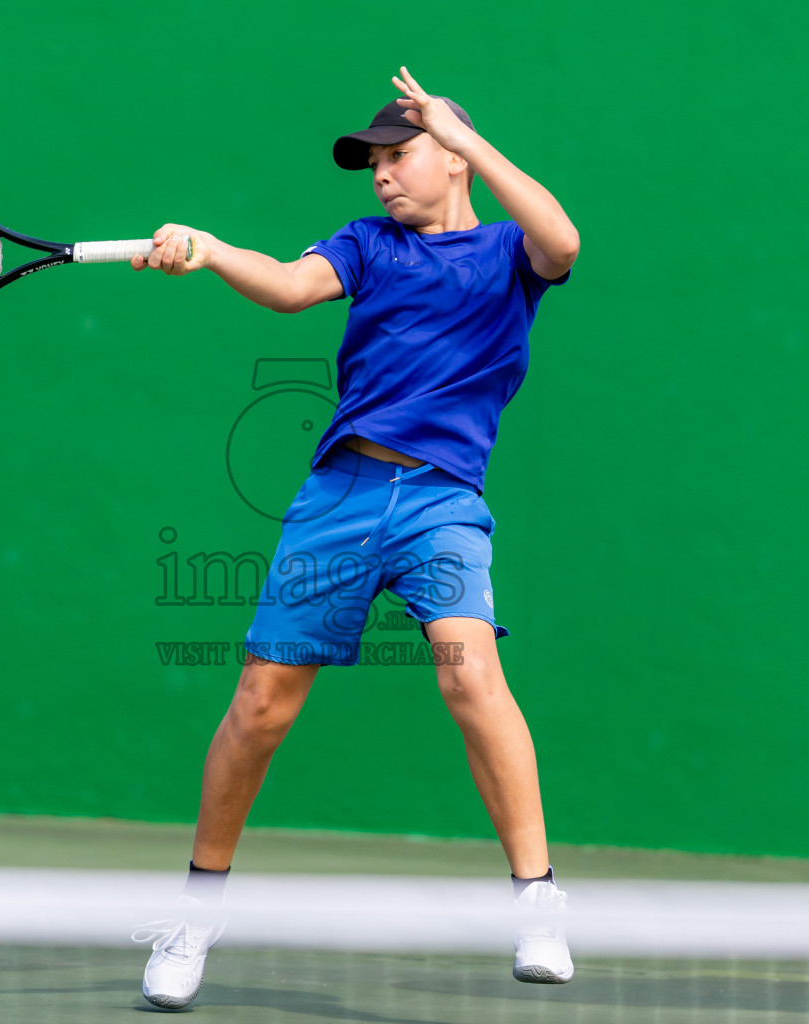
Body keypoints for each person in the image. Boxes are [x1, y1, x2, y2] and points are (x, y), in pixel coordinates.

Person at [129, 67, 581, 1010]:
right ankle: (195, 913)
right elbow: (293, 288)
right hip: (339, 496)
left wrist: (466, 136)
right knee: (260, 705)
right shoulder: (367, 246)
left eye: (399, 155)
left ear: (450, 159)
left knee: (469, 671)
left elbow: (563, 240)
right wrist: (209, 249)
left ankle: (537, 905)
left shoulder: (507, 253)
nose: (380, 176)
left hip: (442, 503)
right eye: (371, 163)